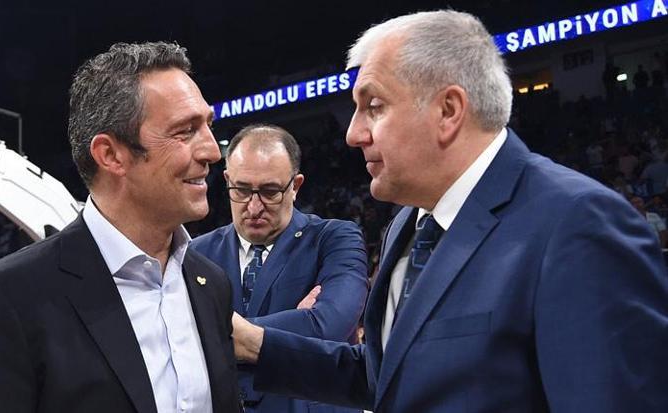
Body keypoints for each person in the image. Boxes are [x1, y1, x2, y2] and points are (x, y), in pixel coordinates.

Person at [232, 10, 668, 412]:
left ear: (448, 111)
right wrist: (254, 343)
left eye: (374, 107)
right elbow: (388, 377)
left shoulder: (579, 225)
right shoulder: (408, 223)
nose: (353, 133)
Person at [0, 42, 241, 413]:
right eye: (184, 132)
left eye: (208, 126)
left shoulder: (211, 284)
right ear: (110, 155)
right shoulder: (2, 297)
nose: (212, 151)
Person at [191, 124, 368, 413]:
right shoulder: (196, 253)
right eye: (241, 190)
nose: (254, 207)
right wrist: (299, 326)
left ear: (295, 186)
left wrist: (216, 333)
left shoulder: (335, 238)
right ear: (226, 180)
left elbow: (330, 325)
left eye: (270, 191)